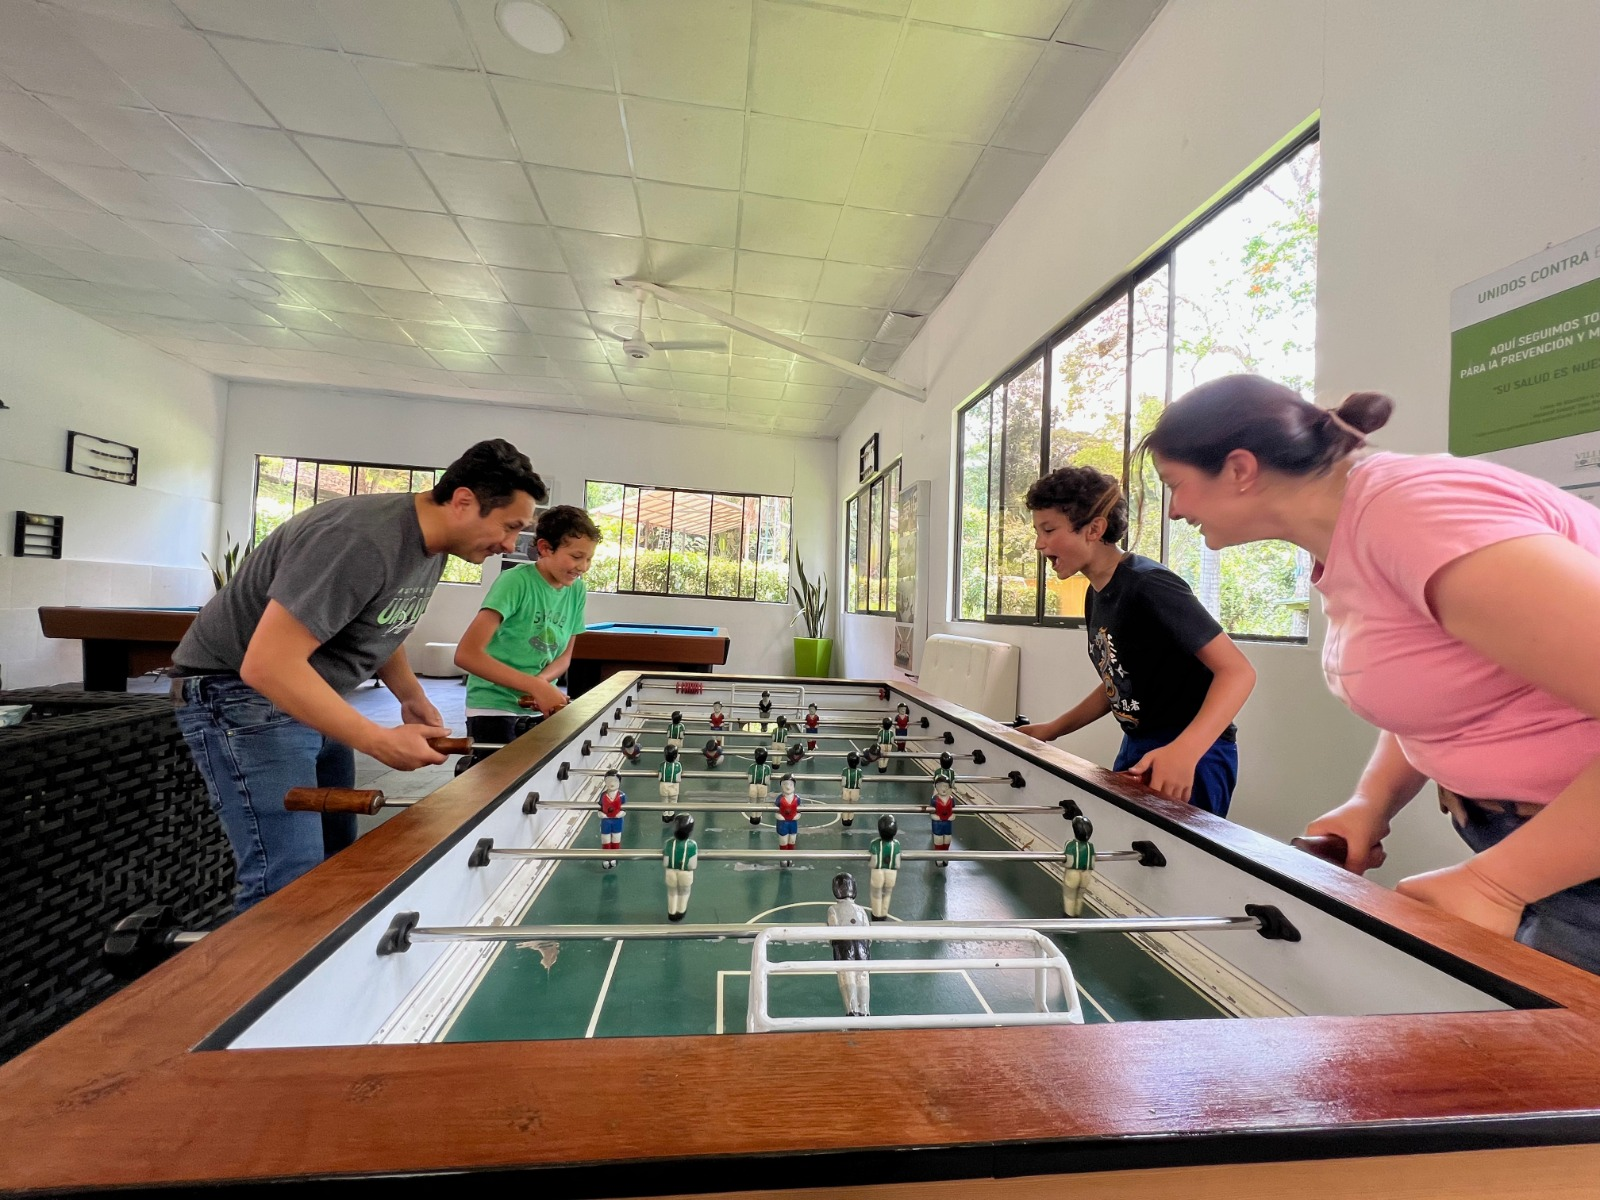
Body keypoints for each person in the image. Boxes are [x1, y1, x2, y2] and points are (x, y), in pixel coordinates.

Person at [1139, 373, 1600, 973]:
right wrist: (1371, 802)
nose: (1176, 511)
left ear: (1240, 469)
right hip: (1533, 851)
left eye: (1176, 485)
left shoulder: (1412, 513)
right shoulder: (1349, 537)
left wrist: (1497, 885)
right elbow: (1436, 690)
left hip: (1575, 871)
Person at [171, 438, 545, 912]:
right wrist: (378, 740)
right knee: (288, 883)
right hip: (241, 696)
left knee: (336, 862)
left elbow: (379, 622)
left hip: (309, 693)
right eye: (510, 527)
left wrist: (410, 696)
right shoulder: (362, 539)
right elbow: (267, 664)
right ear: (463, 501)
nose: (510, 545)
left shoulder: (430, 546)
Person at [1018, 464, 1256, 817]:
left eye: (1049, 529)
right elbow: (1119, 680)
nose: (1040, 543)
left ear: (1094, 529)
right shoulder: (1097, 594)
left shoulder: (1149, 584)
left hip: (1191, 751)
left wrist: (1185, 752)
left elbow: (1237, 672)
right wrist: (1053, 729)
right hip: (1137, 743)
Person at [452, 505, 600, 767]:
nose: (584, 567)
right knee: (496, 783)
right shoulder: (515, 582)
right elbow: (467, 655)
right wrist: (536, 686)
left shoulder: (576, 591)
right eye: (577, 556)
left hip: (537, 706)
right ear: (545, 548)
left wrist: (541, 684)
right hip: (494, 707)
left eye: (589, 559)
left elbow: (565, 657)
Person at [826, 872, 872, 1018]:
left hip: (843, 947)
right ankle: (865, 1009)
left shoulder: (833, 909)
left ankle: (852, 1010)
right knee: (863, 976)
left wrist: (833, 942)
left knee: (847, 977)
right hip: (862, 947)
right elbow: (868, 932)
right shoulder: (861, 910)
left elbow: (833, 927)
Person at [663, 813, 698, 922]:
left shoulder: (668, 843)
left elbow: (666, 862)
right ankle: (681, 911)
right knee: (684, 893)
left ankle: (671, 912)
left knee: (671, 893)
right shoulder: (692, 845)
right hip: (685, 873)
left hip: (671, 872)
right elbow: (692, 865)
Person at [868, 814, 901, 919]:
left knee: (876, 893)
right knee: (887, 893)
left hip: (878, 872)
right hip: (892, 872)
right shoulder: (896, 844)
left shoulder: (875, 844)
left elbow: (874, 862)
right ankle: (884, 913)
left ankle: (876, 914)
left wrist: (870, 865)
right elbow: (897, 863)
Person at [1062, 816, 1095, 917]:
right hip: (1086, 874)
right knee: (1080, 896)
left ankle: (1069, 916)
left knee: (1069, 896)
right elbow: (1092, 864)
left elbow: (1067, 862)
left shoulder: (1070, 845)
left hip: (1073, 874)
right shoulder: (1091, 847)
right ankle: (1077, 915)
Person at [597, 770, 626, 869]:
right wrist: (600, 813)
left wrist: (622, 813)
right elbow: (599, 807)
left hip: (617, 821)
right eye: (609, 781)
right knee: (606, 840)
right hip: (606, 821)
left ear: (619, 782)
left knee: (616, 840)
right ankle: (606, 858)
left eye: (615, 781)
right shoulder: (603, 795)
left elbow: (625, 808)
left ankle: (614, 857)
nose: (612, 783)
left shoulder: (622, 795)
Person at [774, 774, 801, 867]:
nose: (788, 787)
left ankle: (790, 857)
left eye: (790, 784)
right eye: (785, 784)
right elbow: (776, 811)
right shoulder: (780, 799)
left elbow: (799, 810)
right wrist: (779, 816)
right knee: (783, 841)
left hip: (793, 823)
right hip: (783, 823)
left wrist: (798, 815)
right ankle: (783, 858)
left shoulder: (797, 799)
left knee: (792, 840)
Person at [928, 777, 956, 867]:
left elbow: (954, 810)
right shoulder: (934, 800)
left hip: (947, 823)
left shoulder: (951, 799)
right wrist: (936, 817)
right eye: (940, 786)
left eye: (945, 786)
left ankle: (945, 856)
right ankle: (939, 857)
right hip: (938, 824)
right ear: (936, 787)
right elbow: (931, 813)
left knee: (947, 839)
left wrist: (953, 815)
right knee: (938, 840)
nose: (943, 789)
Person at [745, 745, 773, 826]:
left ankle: (753, 817)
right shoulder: (767, 768)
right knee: (761, 803)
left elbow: (750, 780)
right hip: (763, 786)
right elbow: (767, 781)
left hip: (753, 786)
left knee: (753, 802)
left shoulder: (752, 767)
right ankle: (758, 816)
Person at [658, 744, 683, 822]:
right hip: (674, 787)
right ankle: (671, 815)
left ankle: (665, 815)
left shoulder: (662, 765)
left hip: (663, 786)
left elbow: (659, 778)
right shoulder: (678, 766)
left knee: (664, 801)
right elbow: (678, 779)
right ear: (676, 756)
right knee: (673, 802)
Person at [839, 751, 864, 827]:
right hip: (855, 790)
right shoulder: (859, 772)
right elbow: (860, 784)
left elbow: (843, 783)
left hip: (846, 790)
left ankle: (845, 819)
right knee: (853, 806)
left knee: (845, 805)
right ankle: (850, 820)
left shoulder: (845, 771)